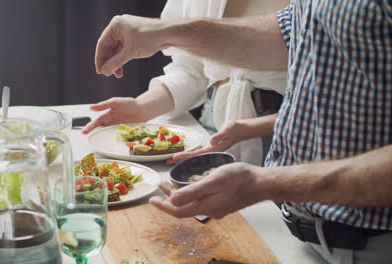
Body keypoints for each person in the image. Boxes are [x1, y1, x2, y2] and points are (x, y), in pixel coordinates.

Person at [93, 1, 392, 263]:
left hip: (373, 245)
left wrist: (267, 182)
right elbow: (288, 34)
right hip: (308, 235)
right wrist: (163, 32)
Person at [83, 0, 289, 166]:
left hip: (286, 133)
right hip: (214, 126)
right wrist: (143, 107)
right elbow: (192, 66)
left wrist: (161, 31)